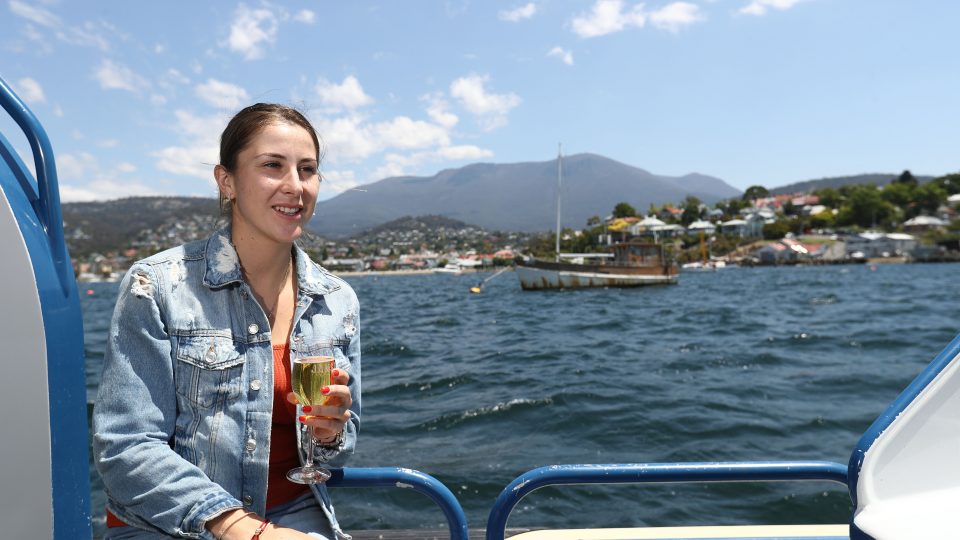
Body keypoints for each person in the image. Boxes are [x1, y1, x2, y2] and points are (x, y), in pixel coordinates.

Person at [93, 103, 360, 540]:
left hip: (294, 514)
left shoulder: (337, 300)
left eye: (307, 169)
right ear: (227, 181)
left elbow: (341, 448)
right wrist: (243, 529)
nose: (295, 185)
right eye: (272, 165)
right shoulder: (157, 286)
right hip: (169, 525)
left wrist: (330, 434)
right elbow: (126, 448)